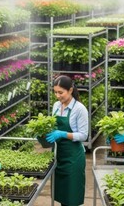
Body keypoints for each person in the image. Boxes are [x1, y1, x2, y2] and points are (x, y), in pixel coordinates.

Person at [45, 75, 88, 206]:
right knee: (62, 196)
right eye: (55, 92)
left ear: (70, 90)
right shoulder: (57, 106)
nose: (58, 96)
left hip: (73, 158)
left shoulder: (79, 109)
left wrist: (63, 134)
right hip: (59, 155)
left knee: (72, 197)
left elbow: (83, 135)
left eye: (61, 92)